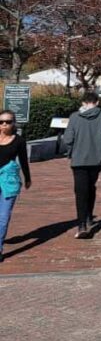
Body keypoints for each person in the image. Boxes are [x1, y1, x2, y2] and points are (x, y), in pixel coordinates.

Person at [61, 90, 101, 238]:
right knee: (90, 186)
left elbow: (68, 138)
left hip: (78, 160)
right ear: (97, 102)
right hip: (96, 159)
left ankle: (82, 224)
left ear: (83, 102)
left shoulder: (75, 117)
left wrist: (71, 152)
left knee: (80, 191)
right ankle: (89, 215)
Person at [0, 110, 31, 262]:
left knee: (4, 216)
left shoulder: (19, 141)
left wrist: (27, 178)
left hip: (9, 180)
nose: (4, 124)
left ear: (13, 123)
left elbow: (24, 160)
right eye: (1, 122)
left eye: (8, 121)